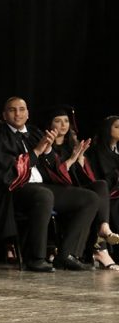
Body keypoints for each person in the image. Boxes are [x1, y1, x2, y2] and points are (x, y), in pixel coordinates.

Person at [0, 97, 97, 272]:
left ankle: (67, 254)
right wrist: (36, 151)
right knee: (43, 195)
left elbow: (53, 166)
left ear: (28, 114)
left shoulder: (35, 133)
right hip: (14, 191)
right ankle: (36, 258)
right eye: (12, 110)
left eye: (22, 109)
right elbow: (8, 173)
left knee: (89, 198)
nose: (17, 114)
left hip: (41, 187)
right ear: (4, 115)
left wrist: (48, 150)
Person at [39, 106, 119, 270]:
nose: (63, 124)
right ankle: (99, 250)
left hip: (76, 190)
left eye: (66, 121)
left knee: (100, 185)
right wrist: (72, 159)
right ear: (50, 124)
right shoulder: (46, 146)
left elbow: (84, 178)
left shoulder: (71, 145)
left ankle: (104, 227)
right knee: (92, 198)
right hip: (57, 191)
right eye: (58, 121)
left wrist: (81, 160)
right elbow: (53, 176)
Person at [89, 115, 119, 228]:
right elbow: (100, 177)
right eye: (117, 127)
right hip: (109, 193)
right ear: (107, 129)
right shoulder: (97, 152)